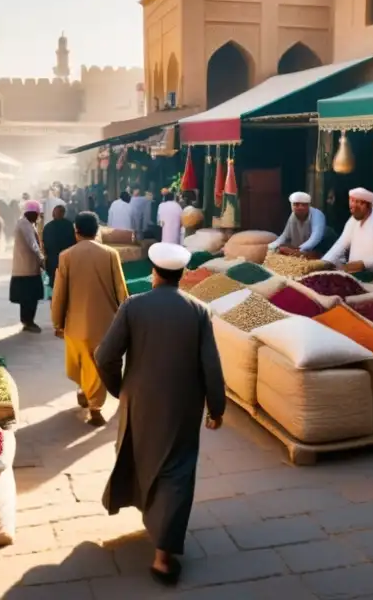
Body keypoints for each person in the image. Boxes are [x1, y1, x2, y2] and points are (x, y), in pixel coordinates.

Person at [95, 242, 226, 585]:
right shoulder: (199, 310)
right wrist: (217, 407)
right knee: (177, 467)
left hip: (139, 400)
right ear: (182, 275)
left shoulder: (133, 306)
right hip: (183, 404)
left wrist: (119, 388)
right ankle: (163, 558)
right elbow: (211, 365)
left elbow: (105, 355)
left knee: (141, 454)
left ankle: (153, 525)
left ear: (154, 273)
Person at [52, 212, 128, 426]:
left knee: (80, 363)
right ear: (97, 231)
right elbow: (121, 290)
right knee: (97, 365)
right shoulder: (110, 254)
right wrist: (126, 321)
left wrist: (57, 322)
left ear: (76, 231)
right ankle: (91, 400)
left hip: (75, 323)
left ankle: (93, 405)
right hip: (106, 324)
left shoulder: (66, 256)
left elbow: (59, 293)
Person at [321, 187, 373, 272]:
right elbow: (341, 244)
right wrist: (324, 262)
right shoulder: (352, 221)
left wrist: (363, 264)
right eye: (352, 202)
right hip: (357, 273)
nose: (354, 207)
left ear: (369, 205)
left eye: (359, 203)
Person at [11, 200, 45, 332]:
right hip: (27, 268)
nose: (38, 217)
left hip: (26, 267)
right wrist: (42, 259)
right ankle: (28, 321)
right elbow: (33, 244)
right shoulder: (25, 225)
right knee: (29, 297)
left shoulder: (26, 223)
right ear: (32, 213)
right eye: (37, 214)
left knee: (28, 297)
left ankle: (27, 321)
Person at [268, 192, 336, 257]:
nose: (300, 207)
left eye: (304, 205)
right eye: (296, 204)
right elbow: (285, 235)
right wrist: (273, 245)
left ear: (308, 205)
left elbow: (316, 237)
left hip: (325, 243)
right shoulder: (293, 216)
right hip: (306, 246)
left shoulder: (317, 215)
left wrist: (297, 250)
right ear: (291, 205)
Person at [42, 203, 77, 289]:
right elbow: (73, 242)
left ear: (53, 214)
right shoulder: (69, 225)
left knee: (54, 284)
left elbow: (45, 244)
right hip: (66, 260)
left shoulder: (48, 227)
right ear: (63, 214)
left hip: (52, 261)